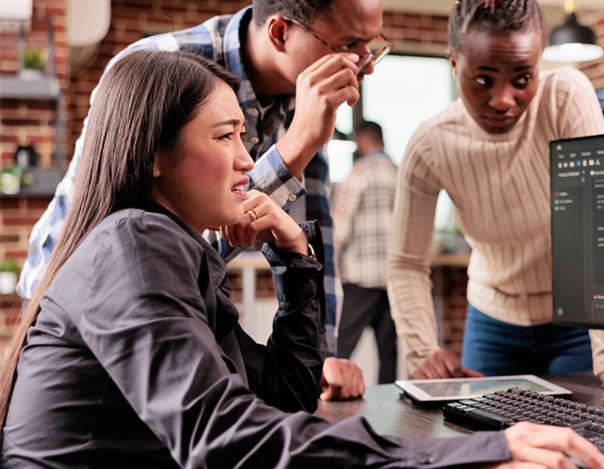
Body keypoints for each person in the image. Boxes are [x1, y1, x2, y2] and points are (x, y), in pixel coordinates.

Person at [0, 50, 604, 469]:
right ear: (156, 155)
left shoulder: (164, 252)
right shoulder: (134, 243)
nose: (247, 160)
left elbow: (286, 395)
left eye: (244, 136)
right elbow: (222, 436)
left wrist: (295, 257)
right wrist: (465, 458)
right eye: (226, 137)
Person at [16, 0, 380, 400]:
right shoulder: (162, 67)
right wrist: (293, 150)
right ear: (280, 32)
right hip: (85, 338)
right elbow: (115, 247)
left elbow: (311, 223)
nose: (365, 66)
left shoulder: (303, 97)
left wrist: (322, 356)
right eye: (349, 45)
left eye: (373, 46)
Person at [387, 0, 604, 393]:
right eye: (483, 80)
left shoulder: (564, 98)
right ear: (454, 63)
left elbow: (598, 227)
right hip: (492, 319)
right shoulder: (430, 145)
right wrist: (422, 351)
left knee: (584, 424)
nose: (503, 100)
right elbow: (406, 263)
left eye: (522, 78)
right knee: (483, 427)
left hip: (574, 321)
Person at [332, 121, 399, 383]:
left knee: (341, 347)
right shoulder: (399, 173)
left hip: (361, 276)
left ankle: (330, 393)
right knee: (388, 351)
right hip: (391, 277)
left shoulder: (359, 173)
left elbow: (339, 230)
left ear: (362, 140)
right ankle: (390, 401)